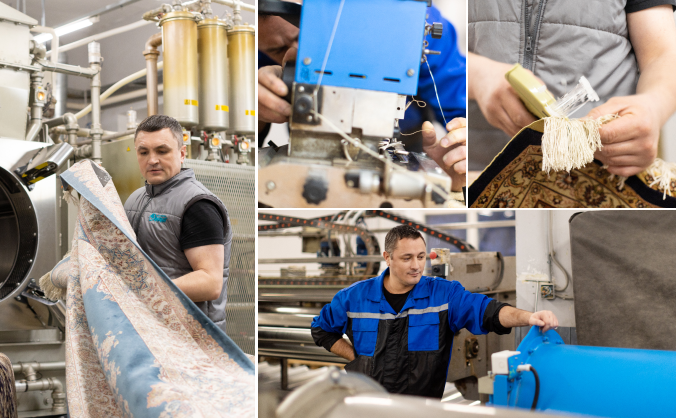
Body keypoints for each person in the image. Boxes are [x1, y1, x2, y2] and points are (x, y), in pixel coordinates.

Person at [310, 224, 559, 397]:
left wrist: (529, 317)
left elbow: (488, 311)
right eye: (407, 258)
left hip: (422, 410)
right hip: (369, 405)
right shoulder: (354, 298)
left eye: (421, 257)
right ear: (388, 257)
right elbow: (321, 330)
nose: (416, 266)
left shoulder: (443, 295)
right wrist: (357, 358)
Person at [257, 3, 468, 191]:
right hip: (311, 150)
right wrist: (253, 109)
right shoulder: (256, 49)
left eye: (305, 37)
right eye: (278, 49)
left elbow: (462, 108)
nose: (295, 53)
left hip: (406, 142)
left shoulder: (413, 22)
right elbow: (249, 140)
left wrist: (457, 153)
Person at [468, 2, 676, 177]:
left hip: (602, 177)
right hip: (478, 173)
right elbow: (451, 53)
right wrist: (478, 75)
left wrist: (653, 106)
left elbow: (663, 54)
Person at [122, 115, 232, 326]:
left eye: (162, 151)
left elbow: (210, 283)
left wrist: (145, 291)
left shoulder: (198, 205)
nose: (152, 160)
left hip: (191, 331)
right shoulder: (134, 199)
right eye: (144, 152)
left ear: (182, 154)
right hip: (147, 325)